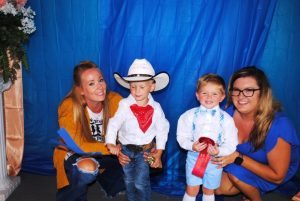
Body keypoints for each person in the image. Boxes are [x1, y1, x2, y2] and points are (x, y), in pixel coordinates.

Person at [211, 66, 300, 201]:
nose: (241, 96)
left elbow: (277, 176)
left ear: (263, 93)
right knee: (215, 187)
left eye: (249, 90)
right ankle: (248, 186)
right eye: (236, 90)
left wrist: (238, 158)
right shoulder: (227, 114)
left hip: (272, 171)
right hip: (237, 161)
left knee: (235, 174)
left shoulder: (279, 125)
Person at [53, 61, 125, 201]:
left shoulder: (115, 100)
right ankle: (69, 197)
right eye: (91, 83)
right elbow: (75, 144)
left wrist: (147, 146)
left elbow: (131, 126)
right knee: (87, 169)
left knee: (145, 156)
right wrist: (111, 148)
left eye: (101, 80)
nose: (100, 87)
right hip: (75, 153)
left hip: (105, 152)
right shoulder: (69, 106)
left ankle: (109, 184)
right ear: (80, 89)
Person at [105, 58, 170, 201]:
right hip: (126, 149)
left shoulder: (156, 108)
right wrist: (110, 143)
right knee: (128, 181)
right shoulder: (124, 105)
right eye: (133, 87)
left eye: (141, 87)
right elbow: (114, 123)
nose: (136, 91)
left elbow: (162, 129)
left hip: (144, 151)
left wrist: (159, 152)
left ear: (151, 87)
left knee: (141, 182)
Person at [177, 74, 238, 201]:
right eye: (204, 93)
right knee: (192, 189)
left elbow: (232, 143)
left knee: (209, 190)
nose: (209, 97)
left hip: (215, 161)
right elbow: (182, 136)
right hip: (194, 158)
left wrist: (219, 151)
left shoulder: (227, 120)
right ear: (197, 95)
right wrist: (191, 146)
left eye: (215, 94)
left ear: (222, 97)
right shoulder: (188, 116)